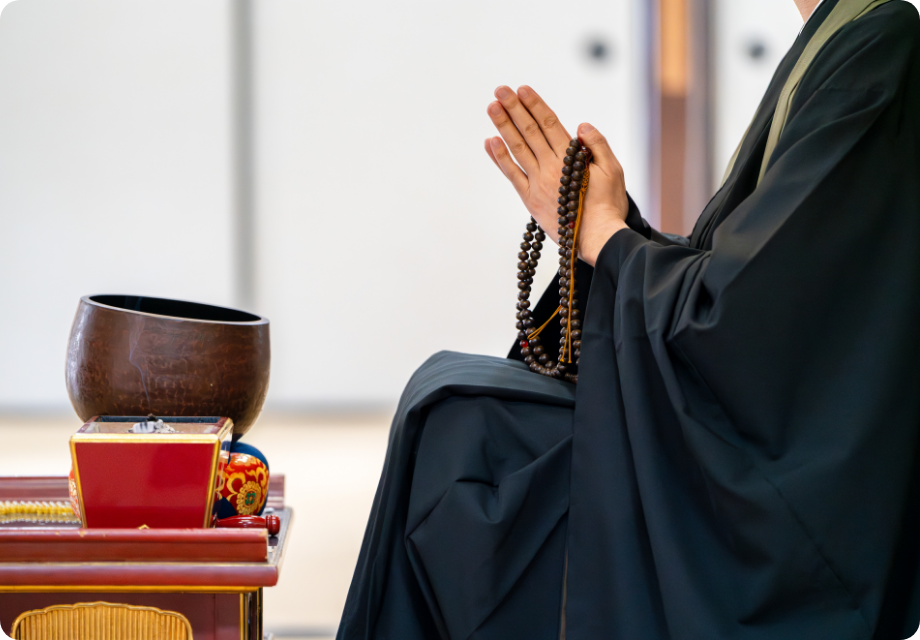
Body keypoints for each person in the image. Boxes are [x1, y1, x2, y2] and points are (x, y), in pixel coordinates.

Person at [337, 0, 920, 637]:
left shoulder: (887, 42)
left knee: (462, 430)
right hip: (763, 444)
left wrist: (608, 239)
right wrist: (615, 230)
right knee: (450, 404)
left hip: (811, 516)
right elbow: (747, 281)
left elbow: (751, 324)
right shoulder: (848, 34)